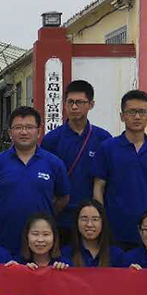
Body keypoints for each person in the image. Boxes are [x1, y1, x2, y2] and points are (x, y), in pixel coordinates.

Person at [0, 106, 70, 256]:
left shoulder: (54, 163)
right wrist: (0, 213)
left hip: (41, 243)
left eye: (29, 127)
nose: (24, 132)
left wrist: (47, 214)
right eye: (18, 127)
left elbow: (64, 197)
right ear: (10, 132)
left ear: (39, 131)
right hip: (7, 239)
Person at [92, 90, 147, 250]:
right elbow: (98, 187)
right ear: (122, 116)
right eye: (131, 112)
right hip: (115, 230)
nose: (137, 117)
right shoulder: (108, 148)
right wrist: (100, 220)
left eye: (142, 112)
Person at [42, 81, 112, 247]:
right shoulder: (52, 139)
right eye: (70, 102)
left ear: (91, 104)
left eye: (79, 102)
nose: (74, 107)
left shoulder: (103, 139)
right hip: (60, 218)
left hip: (91, 219)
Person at [62, 199, 125, 268]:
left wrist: (132, 270)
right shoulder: (66, 253)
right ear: (76, 222)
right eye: (84, 219)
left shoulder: (116, 254)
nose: (89, 224)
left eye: (95, 219)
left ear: (102, 223)